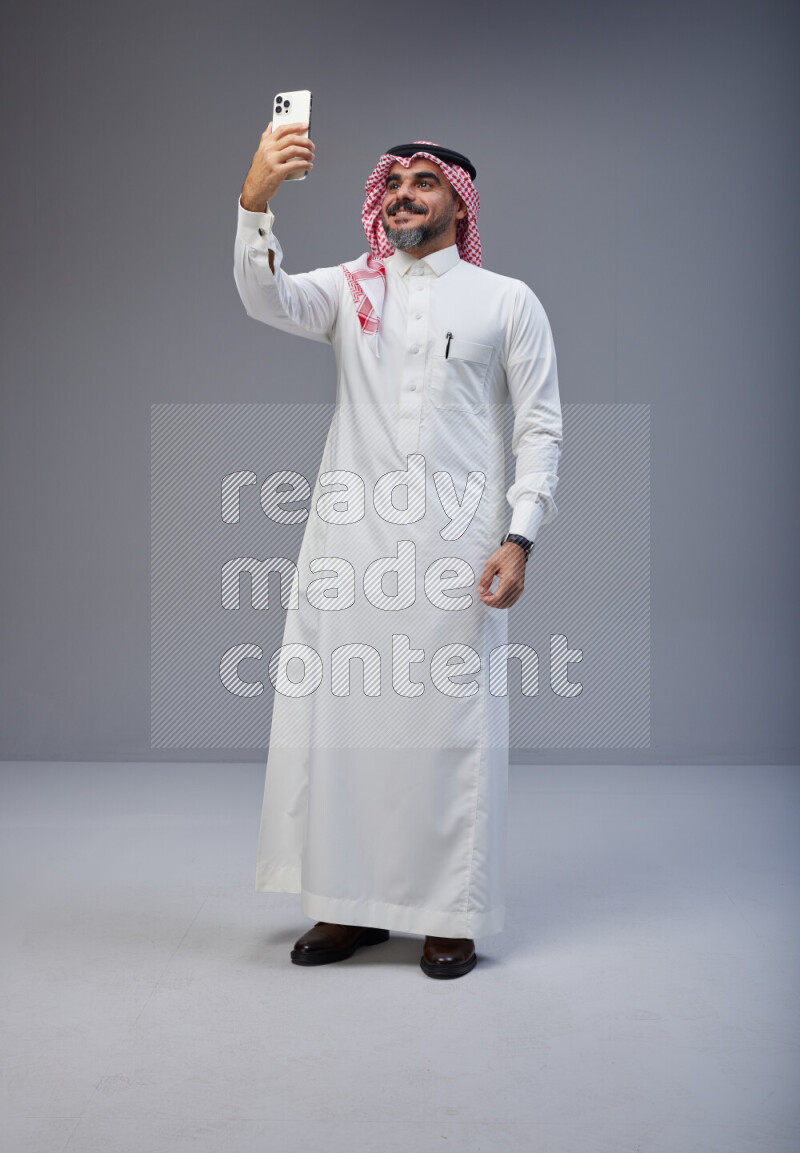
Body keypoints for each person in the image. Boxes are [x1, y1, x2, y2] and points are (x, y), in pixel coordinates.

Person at [233, 122, 562, 979]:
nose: (404, 196)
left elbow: (540, 427)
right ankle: (347, 908)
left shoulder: (506, 301)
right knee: (347, 730)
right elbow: (265, 300)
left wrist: (519, 537)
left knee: (447, 734)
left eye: (424, 183)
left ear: (460, 201)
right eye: (394, 185)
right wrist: (254, 203)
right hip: (352, 548)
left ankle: (448, 914)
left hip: (458, 555)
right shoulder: (352, 289)